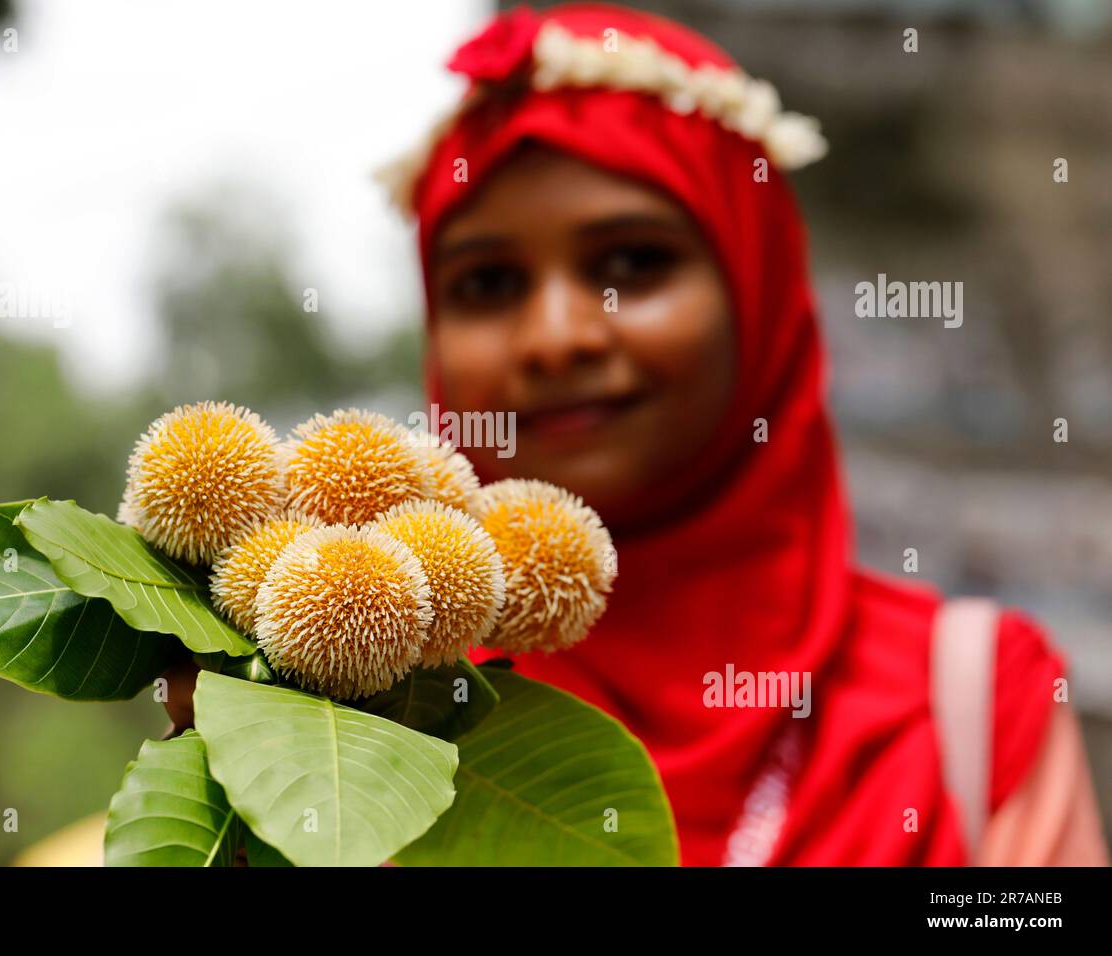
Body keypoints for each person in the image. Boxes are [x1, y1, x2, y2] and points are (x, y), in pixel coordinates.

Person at [375, 3, 1108, 865]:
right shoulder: (361, 725)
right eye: (488, 283)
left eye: (630, 264)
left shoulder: (975, 705)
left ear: (758, 298)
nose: (556, 336)